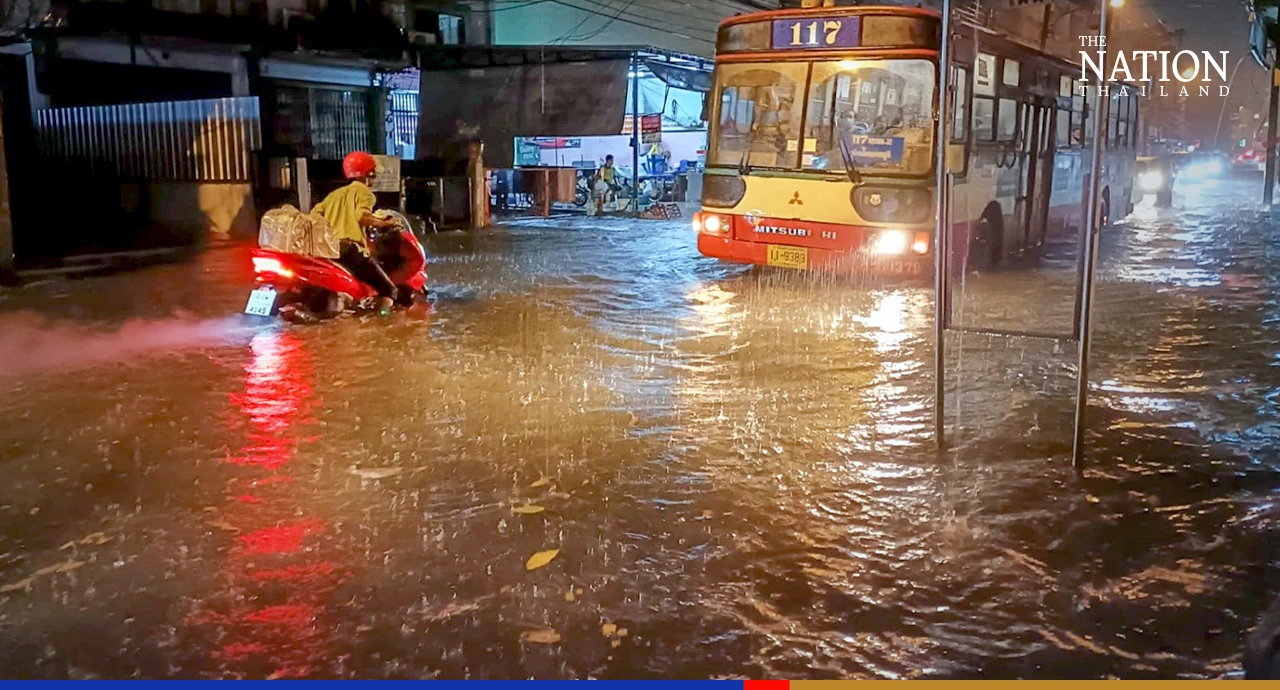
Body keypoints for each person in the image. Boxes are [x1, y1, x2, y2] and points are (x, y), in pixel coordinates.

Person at [312, 151, 400, 315]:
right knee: (389, 290)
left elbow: (314, 216)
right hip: (350, 251)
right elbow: (362, 216)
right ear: (369, 173)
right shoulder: (365, 193)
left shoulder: (334, 195)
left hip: (328, 250)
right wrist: (385, 223)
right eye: (373, 173)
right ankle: (382, 322)